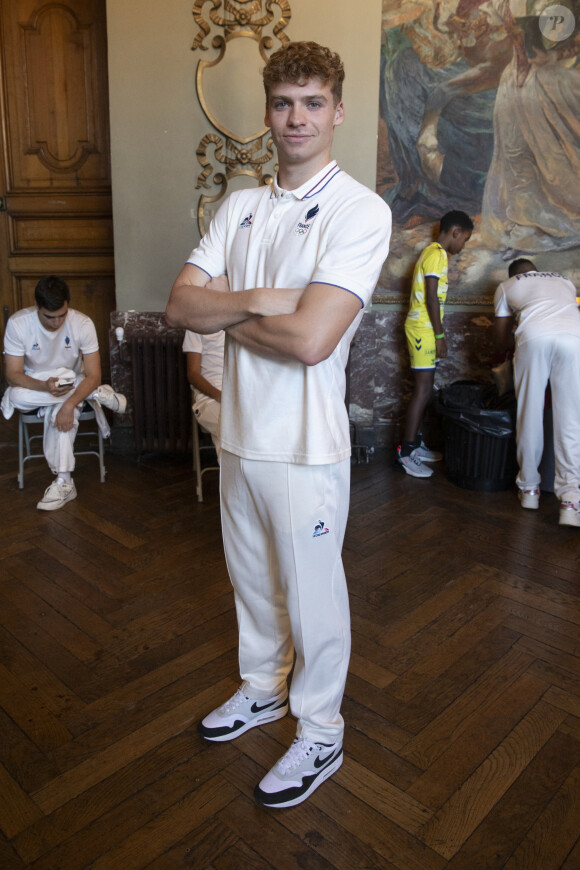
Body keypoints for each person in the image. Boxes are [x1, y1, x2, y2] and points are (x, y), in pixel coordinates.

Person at [166, 41, 391, 808]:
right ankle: (262, 688)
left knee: (312, 595)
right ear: (267, 110)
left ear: (336, 110)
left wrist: (234, 309)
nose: (296, 118)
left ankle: (320, 728)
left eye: (313, 102)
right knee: (252, 584)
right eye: (284, 102)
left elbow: (312, 340)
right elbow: (178, 308)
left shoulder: (361, 210)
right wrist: (269, 300)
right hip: (238, 433)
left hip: (305, 446)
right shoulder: (238, 207)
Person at [2, 275, 126, 510]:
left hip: (72, 383)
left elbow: (93, 375)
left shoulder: (82, 323)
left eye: (62, 315)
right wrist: (44, 386)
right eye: (50, 317)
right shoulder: (19, 324)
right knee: (16, 395)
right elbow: (13, 375)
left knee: (61, 407)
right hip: (36, 383)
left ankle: (64, 481)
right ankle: (96, 394)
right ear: (37, 307)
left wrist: (69, 405)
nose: (57, 322)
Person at [494, 259, 580, 527]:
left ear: (514, 274)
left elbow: (499, 336)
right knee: (570, 420)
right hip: (574, 339)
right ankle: (570, 501)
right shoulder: (564, 280)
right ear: (535, 269)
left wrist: (502, 357)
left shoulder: (506, 286)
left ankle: (530, 490)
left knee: (529, 413)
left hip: (534, 337)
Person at [397, 210, 473, 478]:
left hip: (426, 329)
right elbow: (430, 297)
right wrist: (440, 337)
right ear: (455, 232)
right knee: (422, 389)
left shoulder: (435, 253)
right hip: (423, 330)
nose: (463, 246)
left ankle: (415, 445)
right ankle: (406, 453)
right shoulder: (436, 253)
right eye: (464, 239)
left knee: (426, 388)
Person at [182, 328, 224, 459]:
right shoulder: (196, 325)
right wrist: (219, 395)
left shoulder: (241, 321)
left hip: (239, 394)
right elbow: (193, 374)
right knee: (228, 428)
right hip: (210, 397)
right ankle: (234, 477)